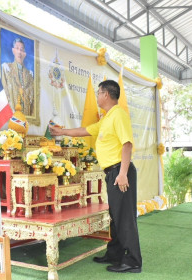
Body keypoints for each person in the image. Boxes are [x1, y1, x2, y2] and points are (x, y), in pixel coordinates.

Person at [50, 80, 142, 273]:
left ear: (106, 94)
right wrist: (62, 131)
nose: (97, 96)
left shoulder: (119, 115)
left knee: (124, 218)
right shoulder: (107, 118)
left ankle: (133, 261)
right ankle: (115, 254)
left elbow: (127, 145)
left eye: (98, 93)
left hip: (120, 172)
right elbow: (85, 130)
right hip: (113, 172)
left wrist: (123, 174)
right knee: (115, 216)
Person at [2, 37, 34, 116]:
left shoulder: (30, 74)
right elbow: (4, 94)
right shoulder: (6, 68)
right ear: (13, 50)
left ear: (24, 54)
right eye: (17, 48)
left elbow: (32, 101)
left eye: (22, 49)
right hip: (12, 117)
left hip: (26, 119)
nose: (19, 52)